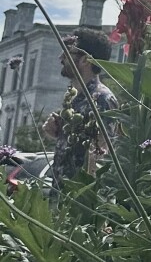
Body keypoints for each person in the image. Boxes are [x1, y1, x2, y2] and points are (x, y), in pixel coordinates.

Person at [44, 29, 116, 193]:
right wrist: (55, 132)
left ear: (85, 60)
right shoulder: (74, 99)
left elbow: (101, 156)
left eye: (68, 52)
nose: (61, 58)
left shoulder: (102, 99)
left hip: (80, 203)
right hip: (61, 194)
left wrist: (86, 200)